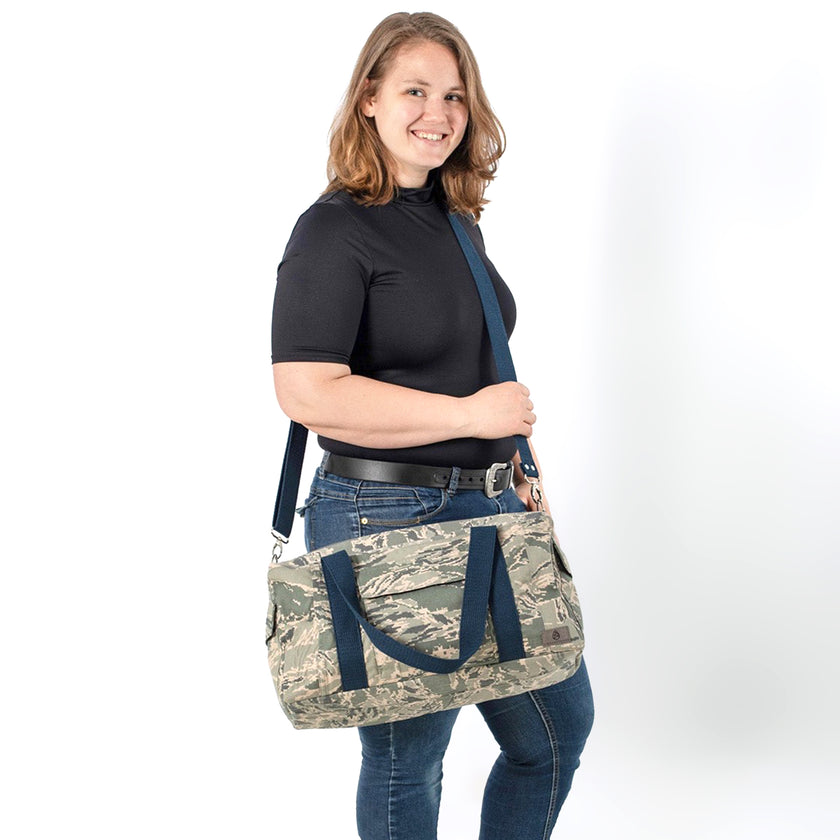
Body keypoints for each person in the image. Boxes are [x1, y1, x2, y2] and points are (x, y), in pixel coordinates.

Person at [271, 12, 594, 839]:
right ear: (369, 98)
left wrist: (513, 463)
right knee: (408, 761)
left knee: (555, 734)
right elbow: (307, 391)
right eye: (415, 90)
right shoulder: (332, 229)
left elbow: (467, 360)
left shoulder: (454, 219)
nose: (438, 112)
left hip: (490, 505)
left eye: (454, 95)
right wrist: (468, 416)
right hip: (389, 518)